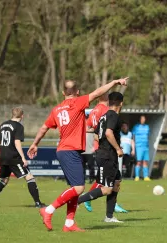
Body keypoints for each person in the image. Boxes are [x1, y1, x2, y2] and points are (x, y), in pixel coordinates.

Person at [28, 77, 128, 232]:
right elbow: (98, 92)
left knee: (74, 188)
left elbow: (43, 128)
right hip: (70, 151)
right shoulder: (78, 102)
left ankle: (69, 223)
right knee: (79, 187)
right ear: (77, 92)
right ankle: (48, 210)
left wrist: (35, 144)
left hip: (65, 150)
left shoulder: (56, 109)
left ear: (63, 93)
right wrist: (115, 82)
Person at [77, 92, 125, 223]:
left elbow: (97, 135)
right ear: (121, 103)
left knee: (116, 183)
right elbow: (108, 133)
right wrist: (117, 148)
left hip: (107, 154)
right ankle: (77, 200)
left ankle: (109, 217)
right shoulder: (113, 115)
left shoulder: (103, 116)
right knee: (107, 189)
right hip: (107, 156)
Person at [0, 107, 44, 208]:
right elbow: (17, 142)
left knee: (4, 180)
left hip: (3, 157)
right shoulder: (19, 126)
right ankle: (38, 203)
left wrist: (4, 149)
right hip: (14, 157)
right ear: (22, 116)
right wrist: (23, 158)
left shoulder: (3, 124)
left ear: (12, 115)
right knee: (29, 177)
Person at [132, 115, 151, 181]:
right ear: (140, 120)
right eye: (142, 119)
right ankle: (137, 176)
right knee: (139, 161)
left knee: (145, 162)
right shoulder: (136, 127)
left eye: (144, 119)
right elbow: (133, 137)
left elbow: (148, 136)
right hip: (138, 146)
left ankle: (145, 176)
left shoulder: (147, 127)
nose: (143, 120)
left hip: (145, 147)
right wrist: (133, 147)